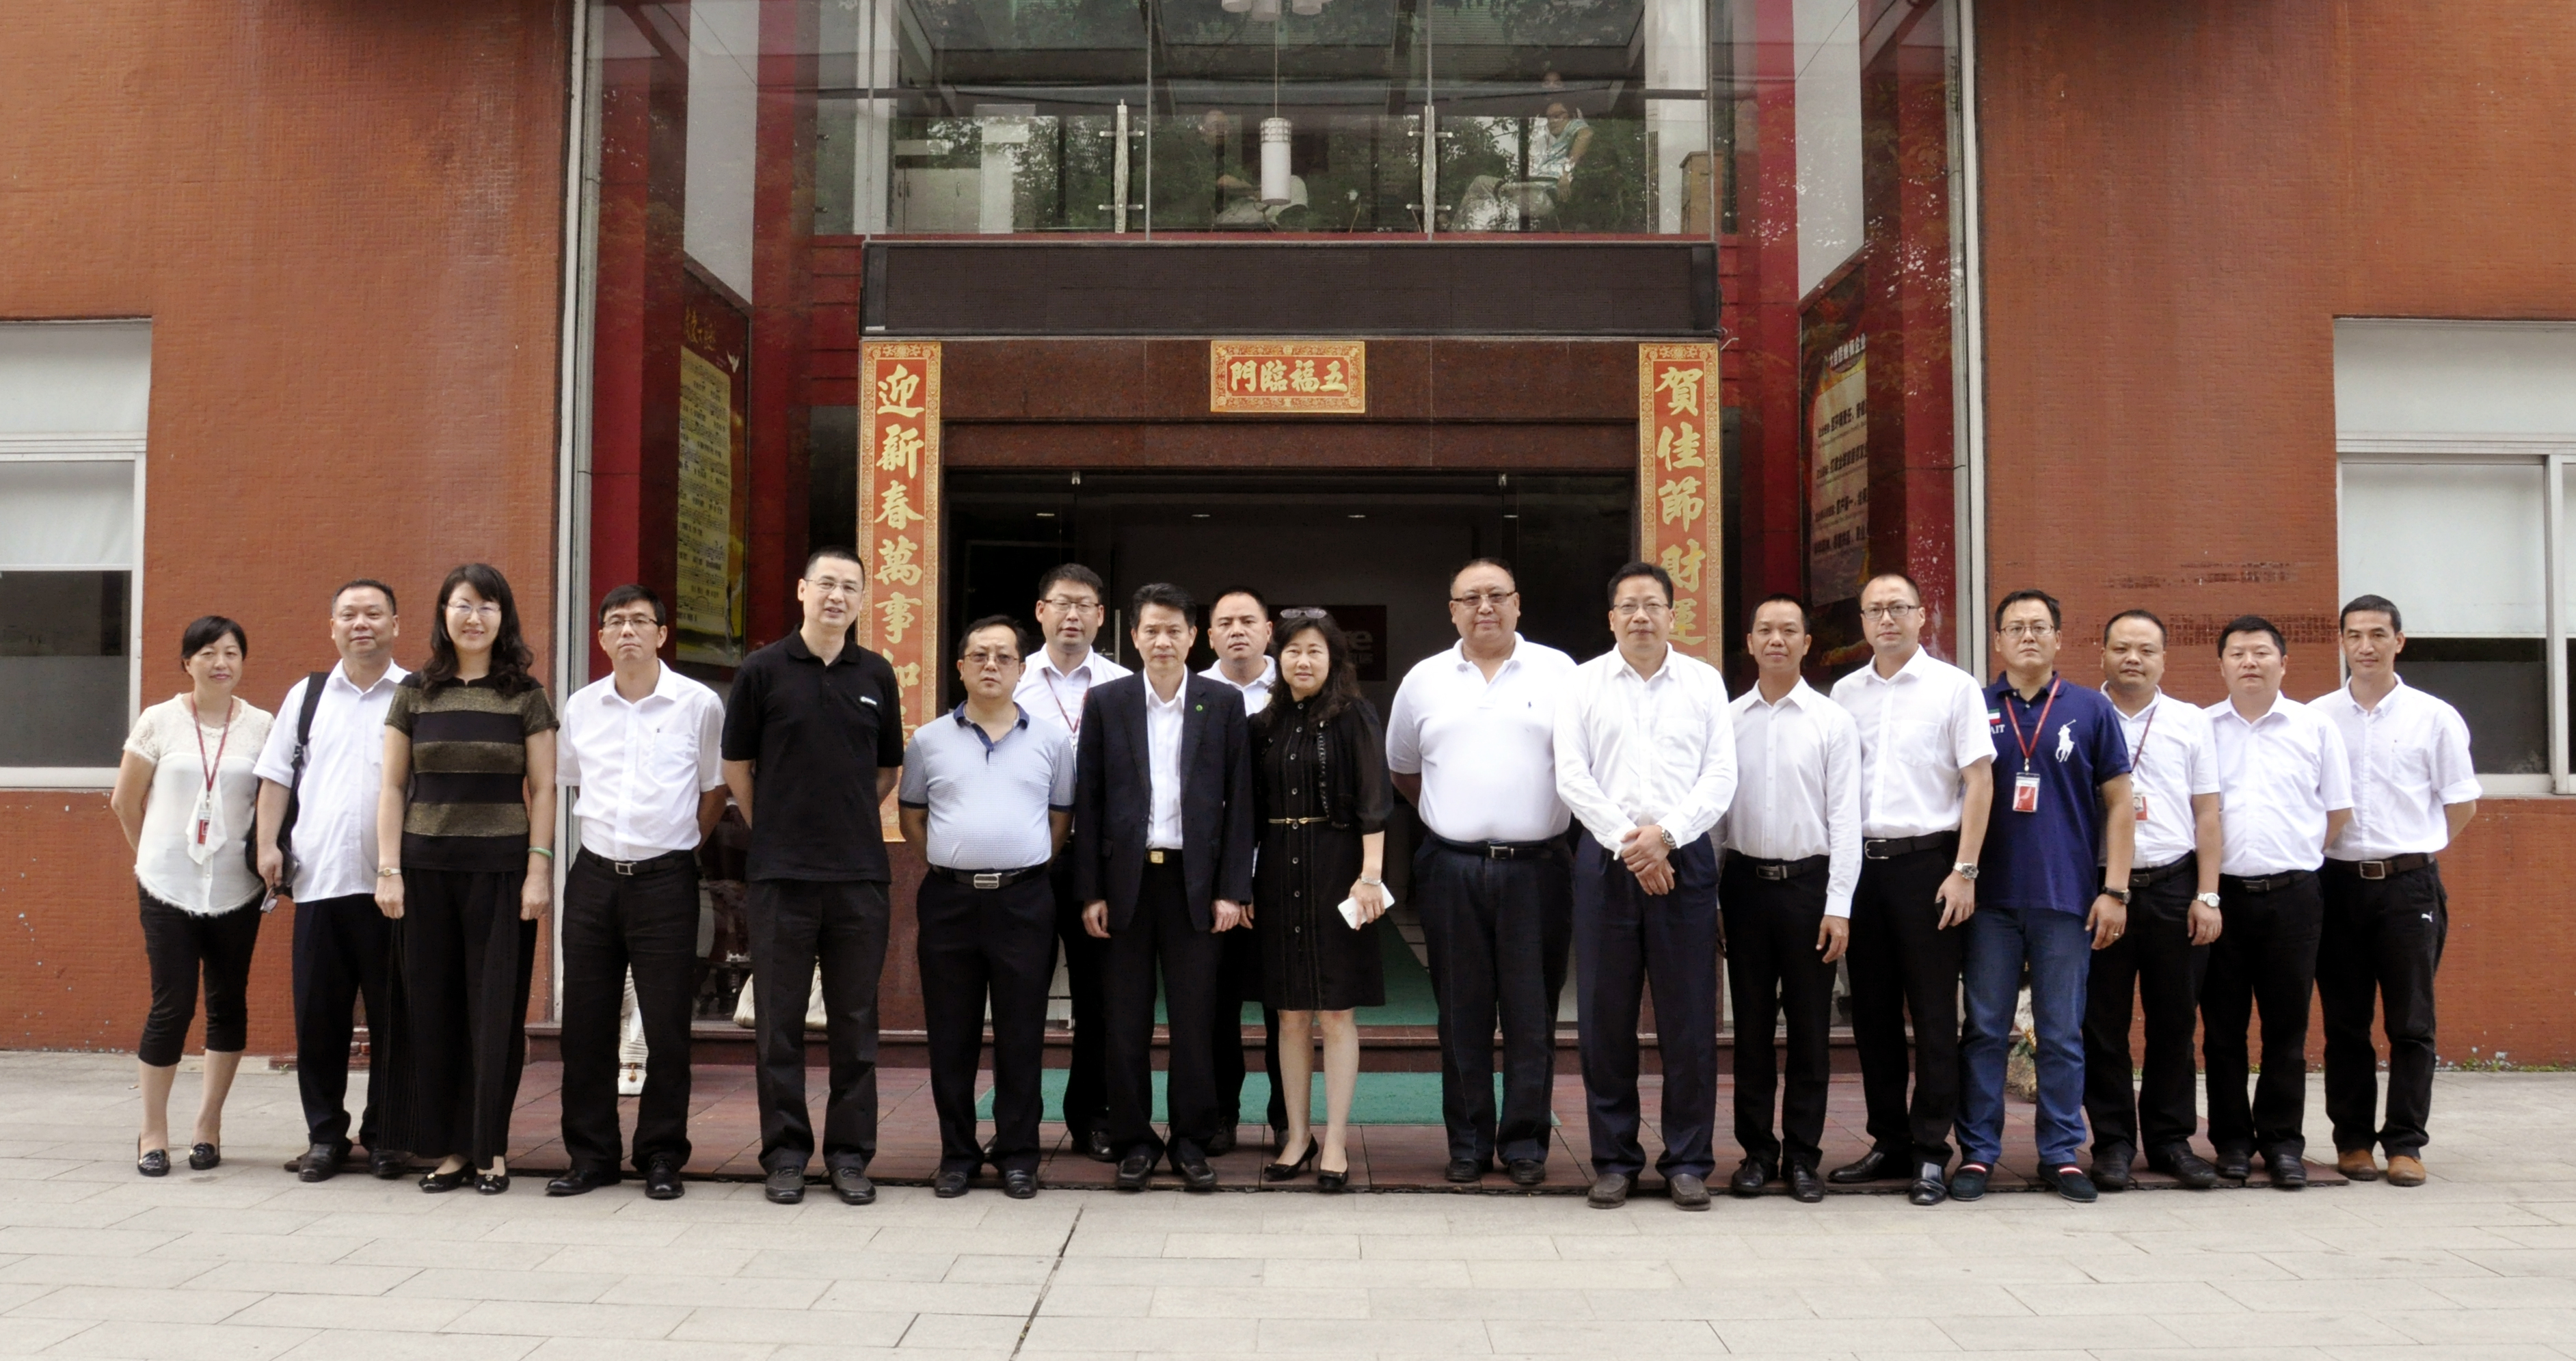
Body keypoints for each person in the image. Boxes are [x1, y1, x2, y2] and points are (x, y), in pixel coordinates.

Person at [722, 547, 907, 1207]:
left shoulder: (876, 673)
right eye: (826, 583)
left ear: (861, 599)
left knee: (856, 1023)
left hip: (859, 875)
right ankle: (786, 1155)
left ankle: (850, 1156)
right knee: (779, 1024)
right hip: (781, 875)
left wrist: (845, 815)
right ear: (802, 590)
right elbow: (737, 765)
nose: (837, 596)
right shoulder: (762, 670)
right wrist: (773, 823)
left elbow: (887, 769)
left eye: (849, 587)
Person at [1386, 558, 1579, 1187]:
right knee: (1460, 1012)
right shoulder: (1423, 680)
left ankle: (1524, 1143)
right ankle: (1467, 1142)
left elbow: (1584, 763)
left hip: (1538, 869)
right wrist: (1455, 819)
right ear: (1452, 610)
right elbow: (1403, 770)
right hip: (1453, 868)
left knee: (1531, 1012)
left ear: (1519, 603)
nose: (1485, 607)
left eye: (1497, 595)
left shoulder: (1561, 672)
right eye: (1470, 598)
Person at [1555, 563, 1736, 1211]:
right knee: (1605, 1018)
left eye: (1653, 605)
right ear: (1611, 618)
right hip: (1608, 862)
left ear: (1672, 615)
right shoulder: (1582, 683)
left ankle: (1687, 1159)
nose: (1640, 616)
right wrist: (1632, 844)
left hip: (1684, 860)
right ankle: (1614, 1159)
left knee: (1689, 1019)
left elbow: (1721, 775)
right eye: (1628, 605)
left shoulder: (1704, 682)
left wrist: (1668, 835)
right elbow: (1571, 775)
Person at [375, 564, 558, 1195]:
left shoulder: (525, 694)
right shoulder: (415, 692)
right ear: (443, 614)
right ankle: (450, 1148)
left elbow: (544, 789)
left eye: (487, 605)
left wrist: (538, 870)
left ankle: (490, 1147)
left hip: (501, 873)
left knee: (494, 1012)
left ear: (504, 618)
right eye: (462, 604)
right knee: (434, 1011)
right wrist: (389, 869)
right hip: (424, 871)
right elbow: (392, 786)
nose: (474, 617)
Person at [1951, 590, 2134, 1205]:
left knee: (2060, 1033)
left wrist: (2115, 890)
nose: (2028, 636)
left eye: (2039, 626)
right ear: (1997, 641)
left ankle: (2060, 1153)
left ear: (2059, 637)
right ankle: (1978, 1151)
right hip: (1990, 900)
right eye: (2015, 627)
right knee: (1984, 1029)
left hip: (2066, 898)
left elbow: (2119, 803)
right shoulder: (1974, 707)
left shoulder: (2091, 709)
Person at [1075, 583, 1256, 1192]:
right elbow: (1090, 800)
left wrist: (1232, 889)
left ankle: (1190, 1139)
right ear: (1133, 636)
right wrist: (1091, 891)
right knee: (1124, 1020)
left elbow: (1240, 804)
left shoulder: (1222, 703)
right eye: (1151, 630)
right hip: (1125, 884)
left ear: (1192, 636)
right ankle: (1134, 1139)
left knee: (1195, 1019)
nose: (1162, 641)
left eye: (1174, 630)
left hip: (1194, 884)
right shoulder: (1109, 702)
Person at [546, 584, 726, 1200]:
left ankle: (661, 1155)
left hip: (666, 880)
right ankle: (590, 1155)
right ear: (600, 636)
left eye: (640, 621)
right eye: (616, 621)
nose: (628, 631)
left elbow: (714, 788)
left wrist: (680, 845)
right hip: (594, 876)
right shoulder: (581, 706)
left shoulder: (699, 704)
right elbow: (575, 783)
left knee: (668, 1025)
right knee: (585, 1023)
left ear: (661, 634)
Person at [1827, 570, 1993, 1207]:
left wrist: (1965, 869)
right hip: (1863, 869)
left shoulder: (1954, 688)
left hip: (1931, 867)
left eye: (1899, 607)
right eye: (1875, 610)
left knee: (1933, 1014)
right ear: (1862, 623)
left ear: (1923, 616)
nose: (1887, 619)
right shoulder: (1845, 693)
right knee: (1871, 1015)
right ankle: (1889, 1140)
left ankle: (1929, 1150)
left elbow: (1979, 781)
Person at [900, 617, 1074, 1201]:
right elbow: (913, 817)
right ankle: (958, 1154)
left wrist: (1020, 865)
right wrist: (953, 862)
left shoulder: (1051, 741)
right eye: (979, 655)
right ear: (960, 667)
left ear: (1022, 668)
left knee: (1022, 1034)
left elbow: (1060, 820)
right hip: (949, 901)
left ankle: (1019, 1154)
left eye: (1003, 656)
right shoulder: (928, 740)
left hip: (1024, 900)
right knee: (952, 1035)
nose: (991, 665)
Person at [2318, 595, 2478, 1189]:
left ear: (2399, 641)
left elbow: (2461, 802)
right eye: (2355, 635)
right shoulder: (2318, 717)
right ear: (2342, 642)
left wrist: (2417, 848)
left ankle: (2406, 1142)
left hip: (2408, 886)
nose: (2366, 646)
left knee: (2412, 1021)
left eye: (2378, 634)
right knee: (2345, 1022)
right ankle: (2353, 1140)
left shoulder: (2434, 717)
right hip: (2336, 882)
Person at [254, 580, 410, 1183]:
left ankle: (388, 1134)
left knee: (396, 1020)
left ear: (395, 623)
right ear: (333, 627)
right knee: (319, 1019)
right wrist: (267, 842)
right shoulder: (309, 694)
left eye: (373, 613)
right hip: (320, 881)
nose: (361, 623)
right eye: (349, 614)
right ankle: (325, 1134)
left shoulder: (415, 693)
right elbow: (276, 775)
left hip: (393, 887)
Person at [112, 616, 275, 1178]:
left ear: (242, 661)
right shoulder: (159, 720)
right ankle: (153, 1130)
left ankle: (208, 1124)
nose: (220, 662)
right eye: (207, 652)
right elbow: (125, 800)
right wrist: (153, 855)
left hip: (236, 887)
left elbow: (271, 801)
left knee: (228, 1002)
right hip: (168, 887)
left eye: (231, 652)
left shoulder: (262, 725)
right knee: (172, 1004)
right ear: (187, 662)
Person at [2202, 615, 2353, 1189]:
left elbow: (2337, 811)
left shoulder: (2314, 728)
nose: (2250, 662)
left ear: (2283, 663)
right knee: (2222, 1030)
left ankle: (2284, 1143)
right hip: (2221, 897)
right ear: (2221, 664)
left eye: (2262, 652)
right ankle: (2232, 1142)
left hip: (2294, 897)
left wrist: (2296, 856)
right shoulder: (2202, 728)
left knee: (2287, 1029)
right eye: (2237, 652)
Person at [1720, 594, 1859, 1204]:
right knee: (1750, 1028)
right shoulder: (1727, 721)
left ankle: (1803, 1155)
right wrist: (1715, 900)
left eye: (1789, 630)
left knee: (1809, 1029)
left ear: (1807, 643)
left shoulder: (1832, 721)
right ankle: (1756, 1153)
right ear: (1750, 643)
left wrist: (1839, 904)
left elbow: (1846, 820)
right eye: (1765, 630)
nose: (1776, 640)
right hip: (1743, 885)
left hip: (1810, 887)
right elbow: (1716, 818)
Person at [1248, 610, 1391, 1194]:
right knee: (1288, 1011)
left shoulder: (1354, 715)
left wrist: (1370, 876)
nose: (1302, 661)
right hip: (1278, 868)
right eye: (1292, 651)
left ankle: (1334, 1139)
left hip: (1339, 868)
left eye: (1314, 651)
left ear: (1333, 659)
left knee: (1335, 1010)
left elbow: (1375, 799)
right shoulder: (1265, 723)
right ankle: (1297, 1135)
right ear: (1278, 659)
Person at [2084, 609, 2225, 1191]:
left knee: (2174, 1020)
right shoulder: (2083, 714)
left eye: (2146, 649)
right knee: (2102, 1023)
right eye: (2121, 647)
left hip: (2173, 885)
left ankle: (2170, 1140)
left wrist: (2208, 893)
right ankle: (2113, 1143)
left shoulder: (2191, 722)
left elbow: (2208, 812)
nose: (2133, 658)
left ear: (2164, 659)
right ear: (2103, 654)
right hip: (2100, 891)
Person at [1014, 563, 1130, 1162]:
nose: (1072, 615)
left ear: (1101, 616)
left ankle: (1093, 1116)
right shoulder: (1010, 678)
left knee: (1100, 997)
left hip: (1099, 860)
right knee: (1021, 995)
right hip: (1029, 856)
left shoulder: (1124, 684)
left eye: (1084, 604)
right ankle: (1018, 1125)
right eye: (1061, 603)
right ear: (1041, 611)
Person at [1203, 585, 1286, 1156]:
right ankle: (1219, 1114)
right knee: (1216, 1003)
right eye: (1226, 622)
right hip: (1211, 880)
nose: (1237, 630)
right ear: (1208, 636)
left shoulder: (1296, 687)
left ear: (1268, 630)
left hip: (1283, 872)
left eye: (1248, 620)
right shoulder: (1192, 693)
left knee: (1286, 1006)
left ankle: (1287, 1117)